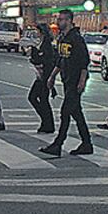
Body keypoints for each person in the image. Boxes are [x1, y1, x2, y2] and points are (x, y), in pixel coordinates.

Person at [39, 10, 92, 156]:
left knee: (65, 112)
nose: (59, 22)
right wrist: (52, 77)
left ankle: (58, 144)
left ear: (69, 21)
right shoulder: (62, 38)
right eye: (59, 19)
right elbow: (60, 60)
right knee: (76, 113)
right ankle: (87, 143)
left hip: (75, 81)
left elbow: (84, 62)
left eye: (61, 19)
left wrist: (82, 81)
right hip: (67, 80)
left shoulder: (76, 39)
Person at [28, 23, 56, 133]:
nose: (37, 33)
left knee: (38, 98)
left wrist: (35, 55)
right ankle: (46, 122)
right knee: (39, 99)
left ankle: (48, 123)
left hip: (44, 76)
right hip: (41, 75)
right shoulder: (42, 42)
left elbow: (46, 59)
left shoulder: (46, 44)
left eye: (38, 31)